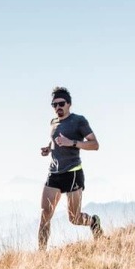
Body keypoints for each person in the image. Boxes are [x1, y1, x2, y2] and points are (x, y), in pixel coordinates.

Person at [38, 86, 102, 250]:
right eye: (54, 105)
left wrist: (72, 143)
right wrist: (49, 149)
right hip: (54, 173)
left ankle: (93, 222)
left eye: (61, 103)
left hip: (73, 173)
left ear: (69, 104)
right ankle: (40, 256)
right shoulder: (53, 122)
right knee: (45, 214)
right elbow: (55, 140)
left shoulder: (78, 121)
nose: (58, 107)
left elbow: (95, 145)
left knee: (74, 218)